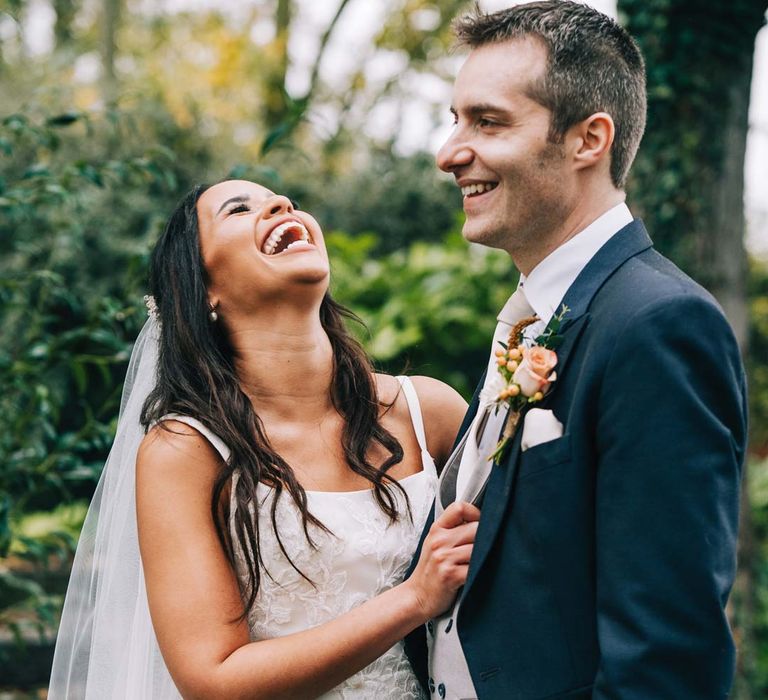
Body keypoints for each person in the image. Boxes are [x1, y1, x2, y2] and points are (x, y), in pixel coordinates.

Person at [404, 3, 748, 699]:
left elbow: (666, 659)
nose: (449, 153)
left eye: (488, 121)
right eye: (454, 120)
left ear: (588, 139)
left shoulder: (657, 323)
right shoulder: (536, 318)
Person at [48, 178, 480, 699]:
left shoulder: (426, 411)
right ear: (205, 288)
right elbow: (214, 680)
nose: (281, 204)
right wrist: (414, 599)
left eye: (287, 202)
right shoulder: (186, 452)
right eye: (238, 209)